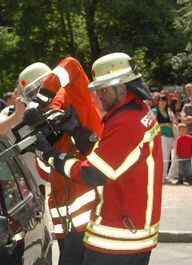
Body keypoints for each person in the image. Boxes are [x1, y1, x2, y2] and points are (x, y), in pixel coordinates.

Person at [34, 52, 162, 265]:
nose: (98, 96)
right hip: (132, 231)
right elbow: (112, 158)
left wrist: (52, 156)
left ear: (121, 87)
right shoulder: (137, 111)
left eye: (103, 90)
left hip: (118, 235)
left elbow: (92, 173)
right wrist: (78, 132)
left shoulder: (125, 122)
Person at [16, 59, 103, 265]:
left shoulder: (74, 100)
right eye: (30, 98)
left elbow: (71, 65)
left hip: (87, 218)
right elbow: (47, 173)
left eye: (36, 94)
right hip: (63, 221)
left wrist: (42, 99)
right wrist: (44, 149)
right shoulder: (44, 122)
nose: (34, 104)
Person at [152, 95, 176, 182]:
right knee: (164, 156)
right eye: (161, 101)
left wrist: (173, 121)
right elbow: (153, 124)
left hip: (171, 136)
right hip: (161, 136)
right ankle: (161, 176)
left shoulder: (168, 111)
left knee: (168, 156)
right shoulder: (154, 111)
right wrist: (165, 124)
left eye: (165, 101)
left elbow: (175, 120)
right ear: (158, 101)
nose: (163, 102)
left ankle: (164, 176)